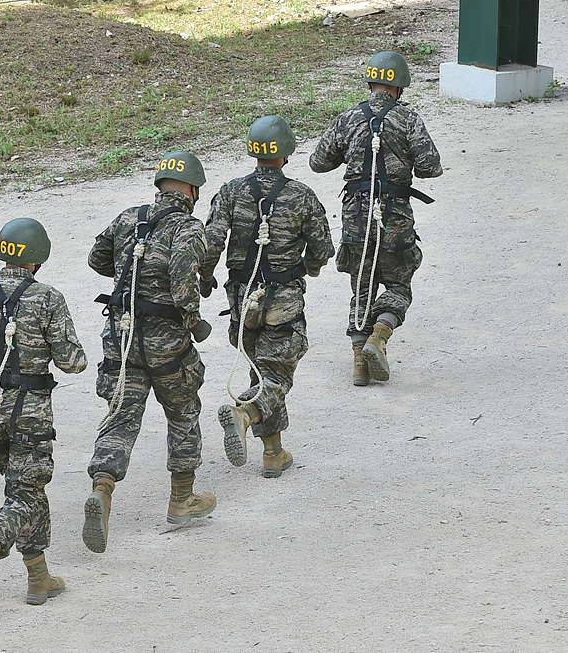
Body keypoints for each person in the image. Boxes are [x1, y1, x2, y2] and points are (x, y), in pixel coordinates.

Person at [0, 218, 87, 618]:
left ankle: (38, 577)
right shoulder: (47, 299)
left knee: (26, 491)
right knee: (25, 494)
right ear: (37, 258)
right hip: (31, 414)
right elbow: (73, 362)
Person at [82, 151, 216, 555]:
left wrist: (132, 275)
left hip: (121, 338)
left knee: (121, 417)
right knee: (182, 410)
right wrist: (194, 321)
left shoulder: (129, 218)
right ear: (192, 190)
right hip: (166, 343)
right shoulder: (189, 227)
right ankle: (182, 499)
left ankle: (102, 491)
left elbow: (96, 258)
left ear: (160, 186)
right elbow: (181, 280)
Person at [201, 116, 334, 478]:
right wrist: (309, 267)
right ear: (286, 153)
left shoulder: (230, 192)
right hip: (282, 301)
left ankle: (274, 453)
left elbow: (211, 241)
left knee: (260, 367)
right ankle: (245, 413)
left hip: (243, 302)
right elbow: (322, 250)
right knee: (276, 375)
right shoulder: (301, 196)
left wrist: (205, 277)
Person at [309, 51, 442, 384]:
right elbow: (431, 168)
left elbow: (318, 162)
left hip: (355, 215)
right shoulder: (409, 120)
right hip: (394, 214)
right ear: (399, 87)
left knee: (362, 287)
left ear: (371, 82)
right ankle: (379, 336)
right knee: (398, 284)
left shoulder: (347, 119)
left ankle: (359, 362)